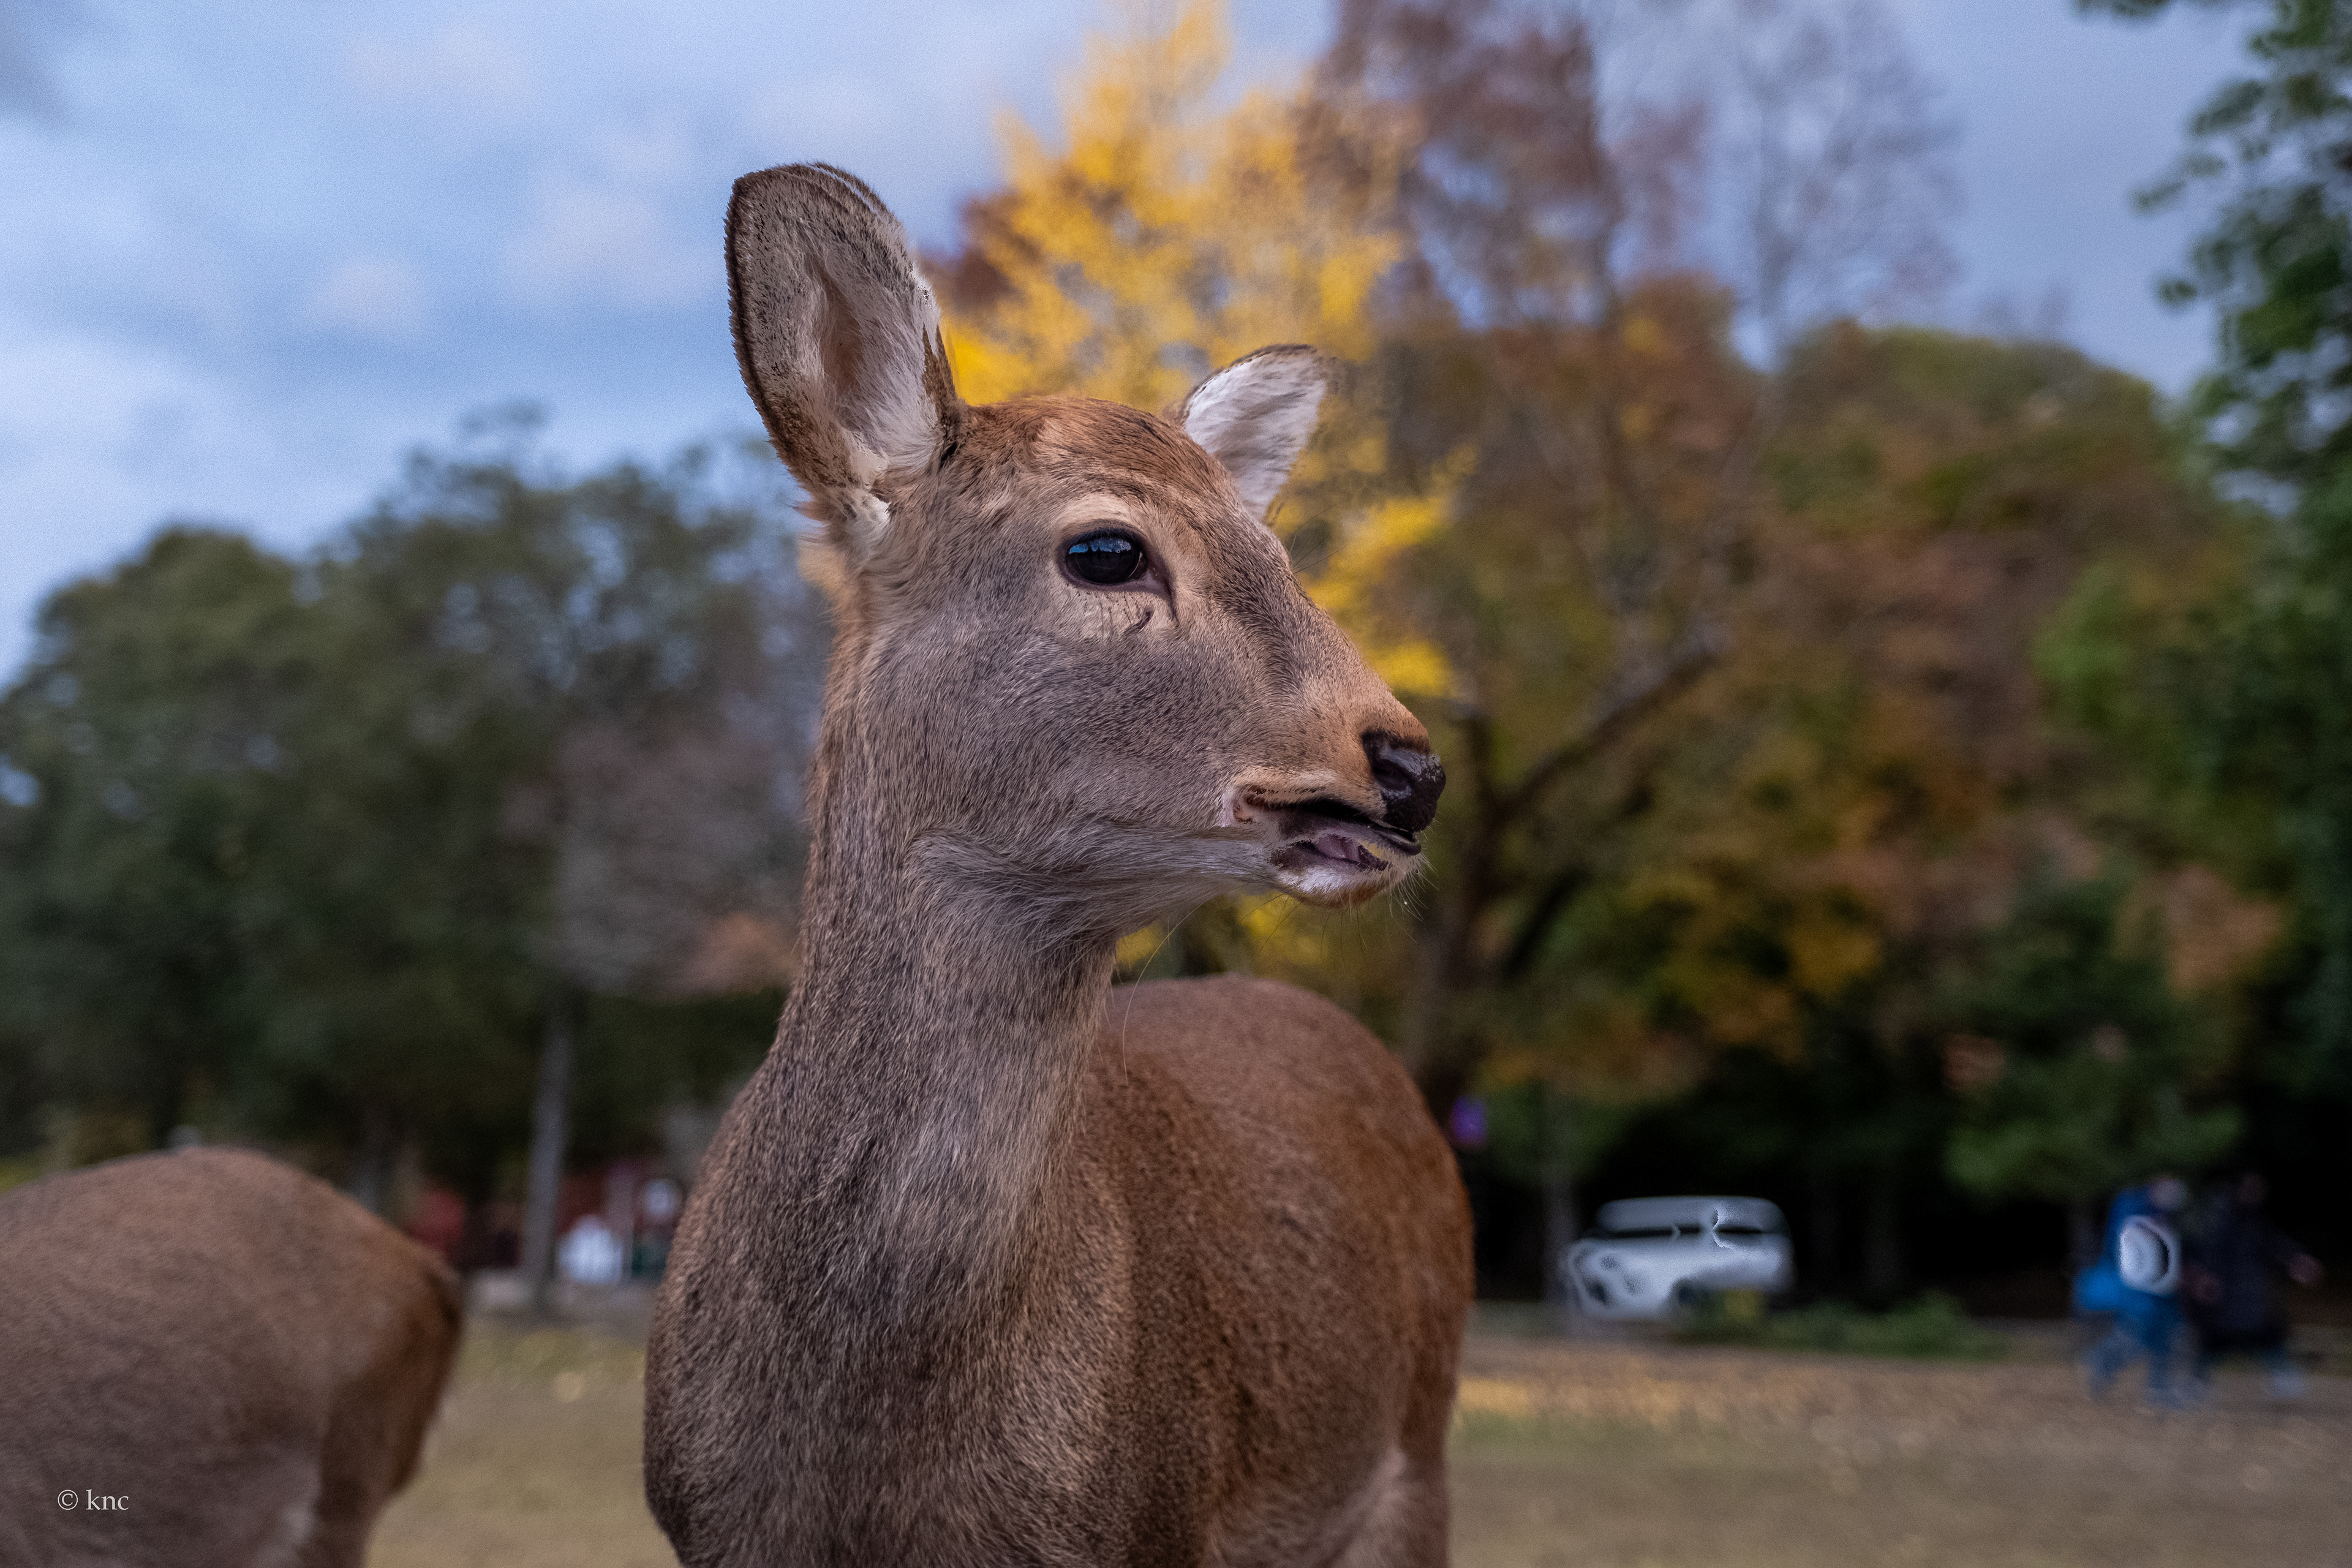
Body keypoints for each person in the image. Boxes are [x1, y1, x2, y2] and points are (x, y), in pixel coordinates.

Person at [2184, 1171, 2324, 1401]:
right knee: (2217, 1339)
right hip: (2225, 1293)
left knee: (2258, 1335)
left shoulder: (2254, 1218)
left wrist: (2295, 1258)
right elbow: (2207, 1248)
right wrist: (2203, 1276)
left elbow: (2273, 1242)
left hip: (2248, 1292)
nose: (2256, 1193)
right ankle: (2198, 1381)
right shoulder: (2219, 1215)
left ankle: (2283, 1374)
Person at [2078, 1174, 2190, 1406]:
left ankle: (2159, 1388)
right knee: (2135, 1337)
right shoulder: (2131, 1207)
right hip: (2137, 1289)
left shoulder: (2163, 1213)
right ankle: (2103, 1360)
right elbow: (2125, 1249)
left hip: (2161, 1289)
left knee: (2166, 1336)